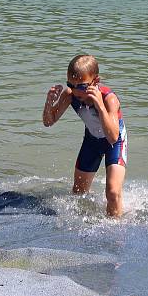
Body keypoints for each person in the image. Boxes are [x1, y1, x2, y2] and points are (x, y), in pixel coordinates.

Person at [42, 54, 127, 217]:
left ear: (95, 81)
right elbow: (49, 122)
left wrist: (100, 106)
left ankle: (116, 231)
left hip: (115, 142)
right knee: (78, 192)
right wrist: (49, 103)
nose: (75, 91)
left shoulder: (109, 99)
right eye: (70, 85)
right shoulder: (70, 95)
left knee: (113, 192)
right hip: (92, 141)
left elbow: (113, 137)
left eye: (81, 87)